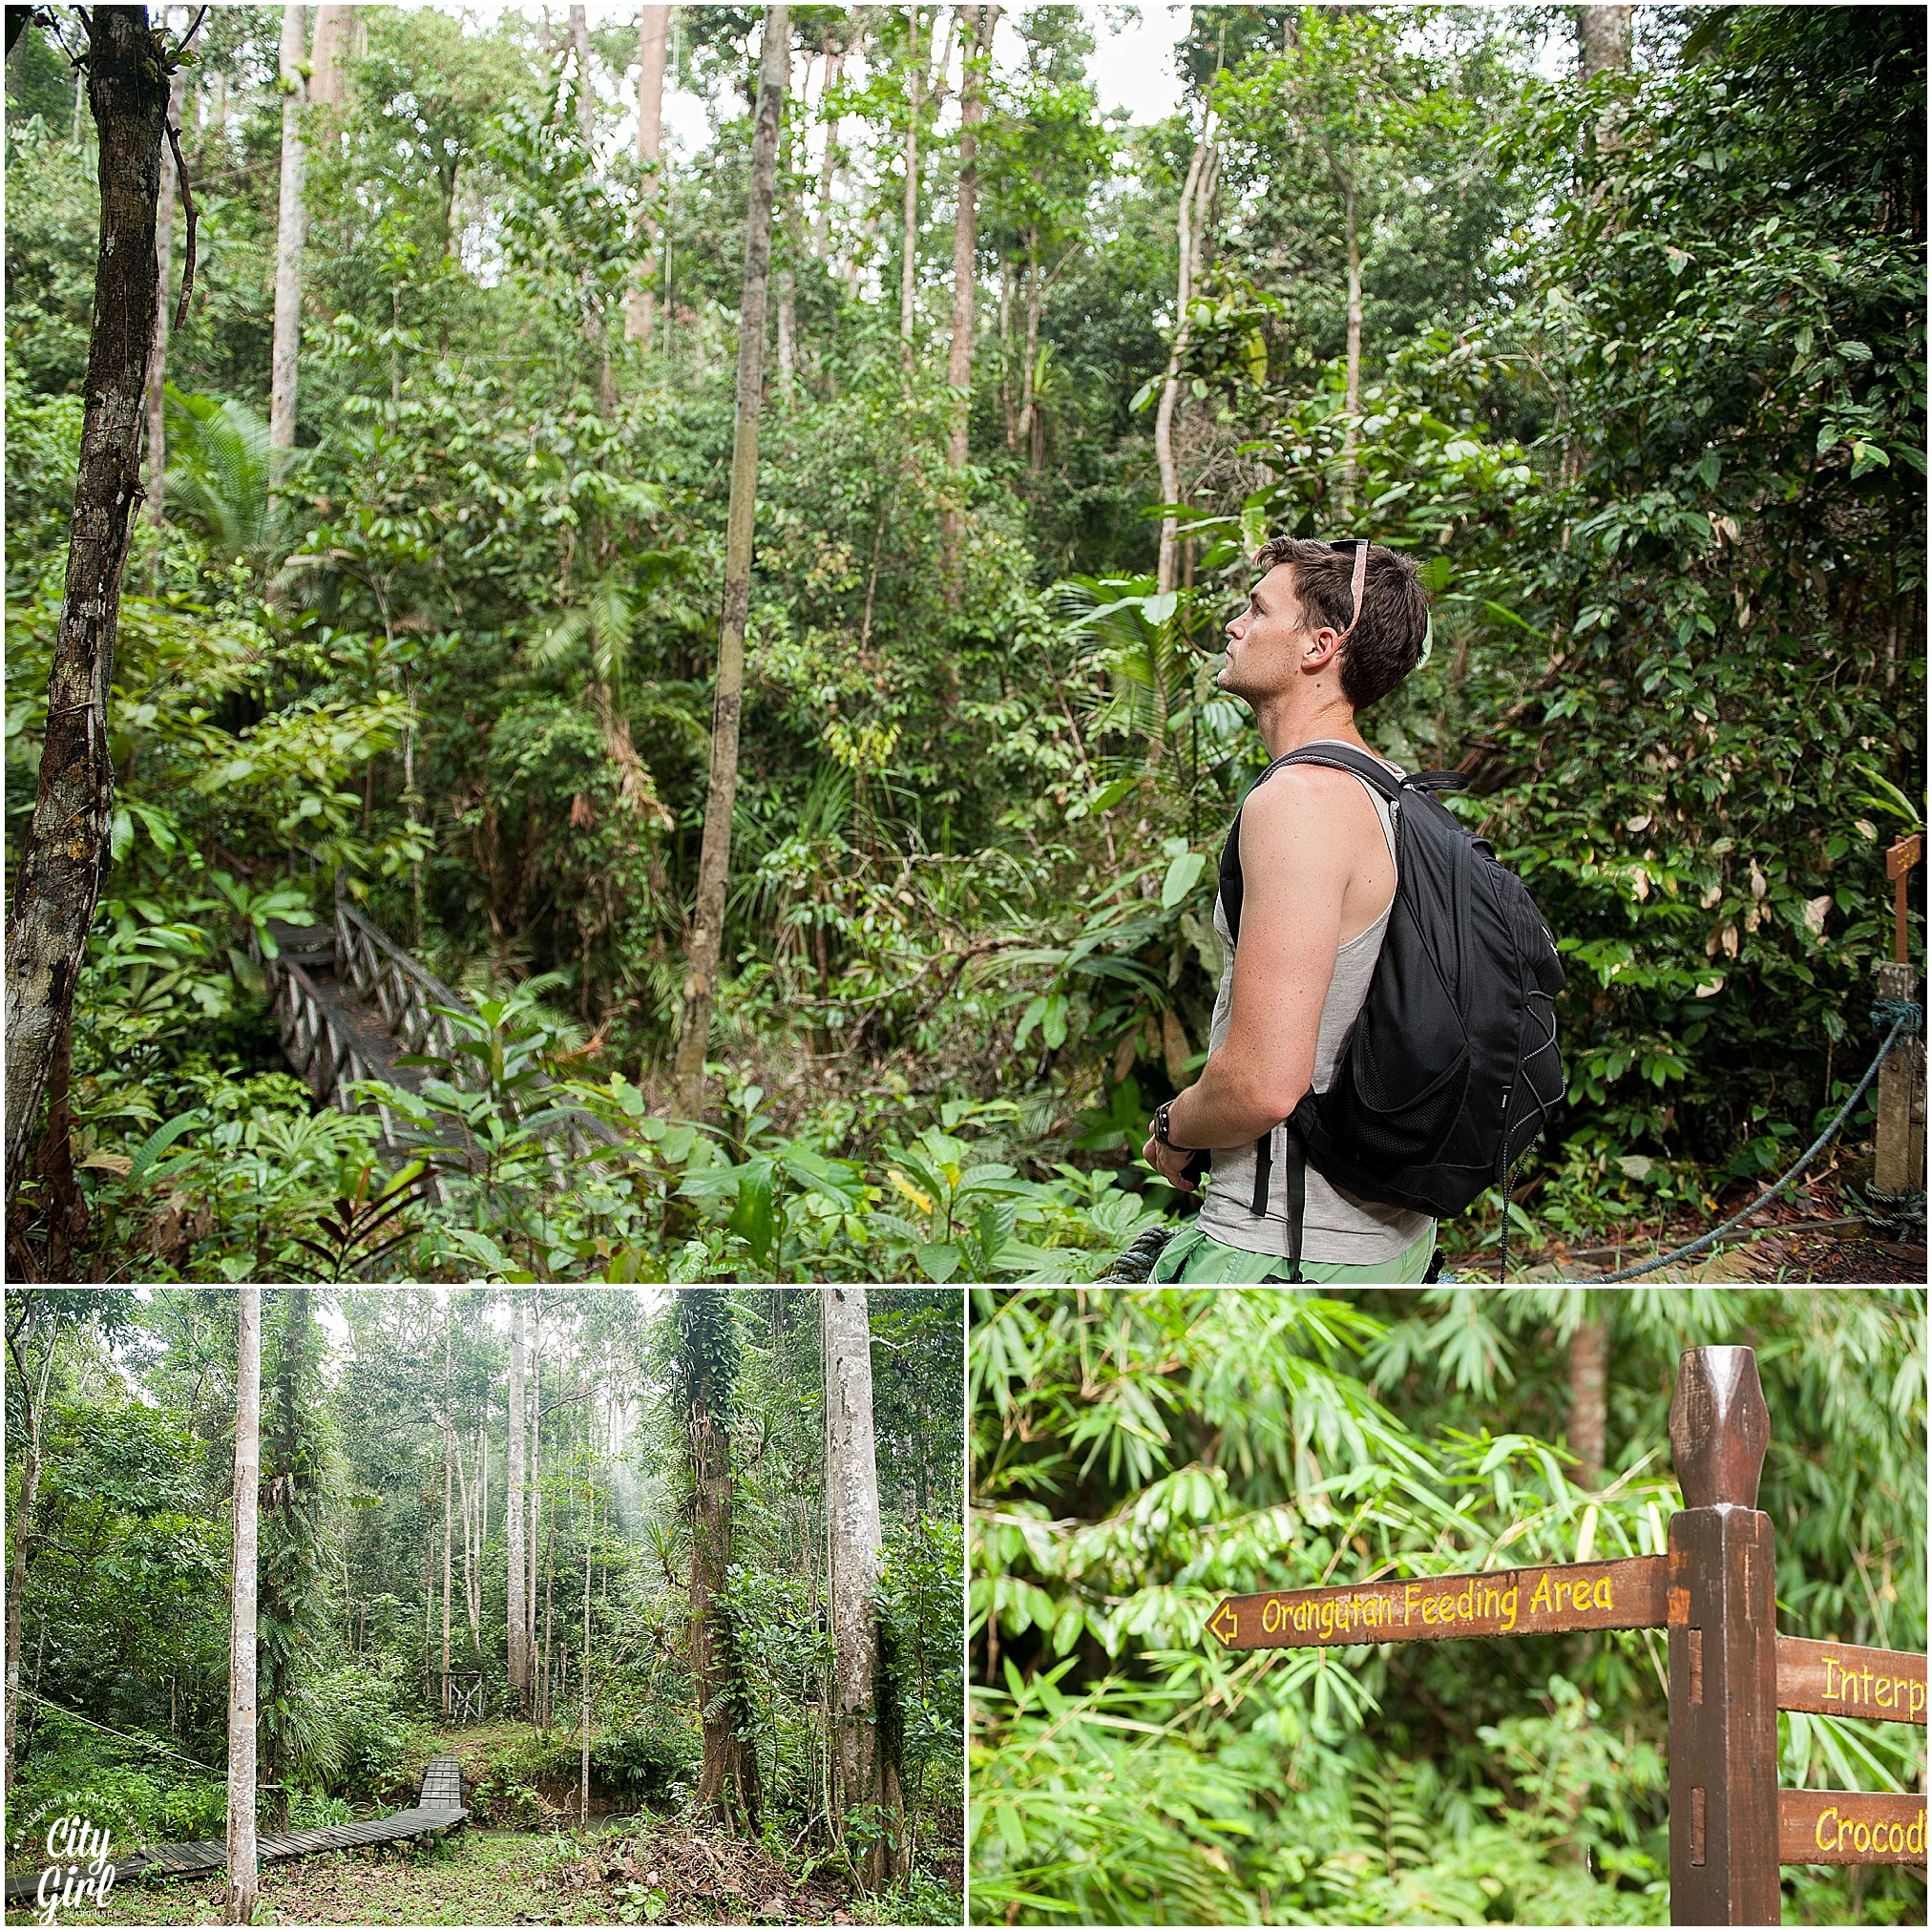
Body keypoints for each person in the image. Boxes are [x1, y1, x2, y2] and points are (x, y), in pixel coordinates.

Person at [1140, 535, 1438, 1283]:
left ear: (1319, 646)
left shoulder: (1298, 803)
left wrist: (1173, 1126)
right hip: (1390, 1242)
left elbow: (1264, 1083)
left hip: (1284, 1250)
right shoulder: (1393, 792)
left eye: (1257, 609)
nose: (1235, 626)